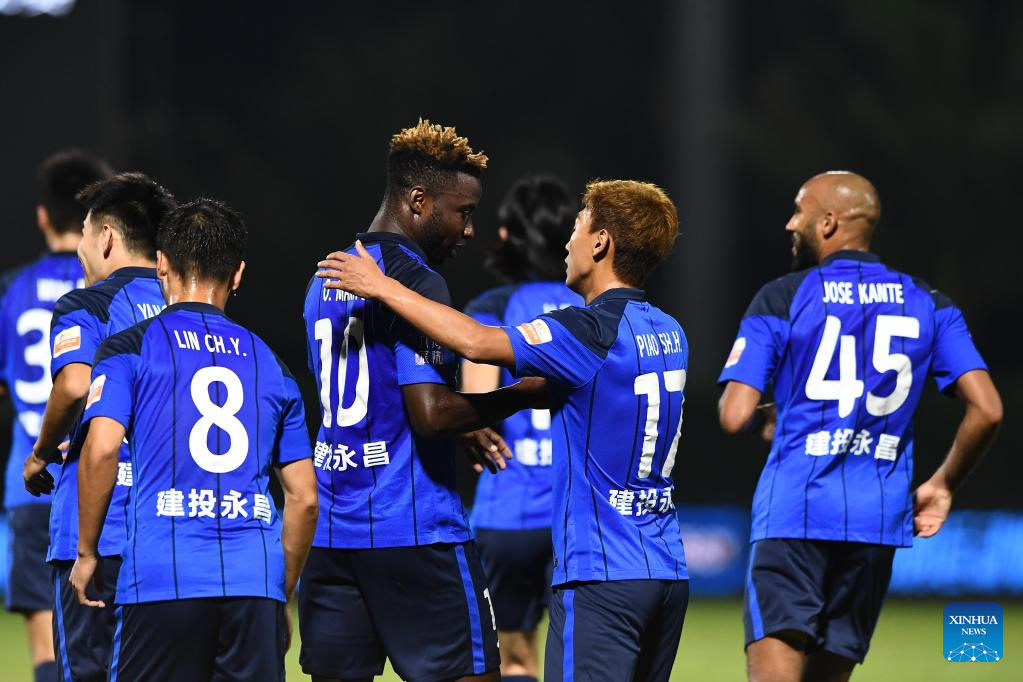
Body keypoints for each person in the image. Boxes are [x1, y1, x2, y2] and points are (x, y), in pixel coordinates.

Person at [316, 178, 690, 682]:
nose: (568, 242)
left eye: (578, 227)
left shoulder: (588, 329)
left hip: (603, 570)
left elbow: (476, 343)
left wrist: (382, 286)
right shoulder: (669, 331)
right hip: (666, 566)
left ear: (601, 242)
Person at [716, 171, 1003, 682]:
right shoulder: (931, 303)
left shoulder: (782, 296)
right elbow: (988, 409)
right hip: (876, 521)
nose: (790, 224)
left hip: (794, 513)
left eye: (799, 211)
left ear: (828, 222)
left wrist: (773, 413)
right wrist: (943, 485)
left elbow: (734, 413)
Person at [299, 119, 546, 682]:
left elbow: (376, 396)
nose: (469, 229)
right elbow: (429, 414)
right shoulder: (418, 281)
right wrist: (518, 395)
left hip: (335, 531)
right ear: (418, 201)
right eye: (462, 212)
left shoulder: (325, 277)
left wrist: (460, 422)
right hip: (411, 527)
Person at [69, 198, 319, 681]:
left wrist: (86, 552)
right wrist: (279, 590)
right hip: (253, 584)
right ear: (238, 274)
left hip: (163, 579)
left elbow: (101, 449)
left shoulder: (129, 348)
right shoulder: (272, 365)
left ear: (161, 263)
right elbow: (305, 499)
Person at [23, 172, 176, 682]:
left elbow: (73, 385)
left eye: (86, 234)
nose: (81, 249)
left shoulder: (87, 303)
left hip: (101, 527)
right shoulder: (188, 307)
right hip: (171, 530)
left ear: (106, 236)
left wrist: (41, 452)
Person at [461, 175, 581, 682]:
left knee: (513, 663)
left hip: (509, 510)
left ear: (508, 236)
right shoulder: (594, 311)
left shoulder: (491, 311)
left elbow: (476, 414)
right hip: (580, 515)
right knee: (583, 663)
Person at [0, 150, 110, 682]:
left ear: (43, 216)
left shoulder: (11, 289)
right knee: (110, 644)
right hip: (104, 483)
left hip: (30, 484)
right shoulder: (109, 290)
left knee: (49, 648)